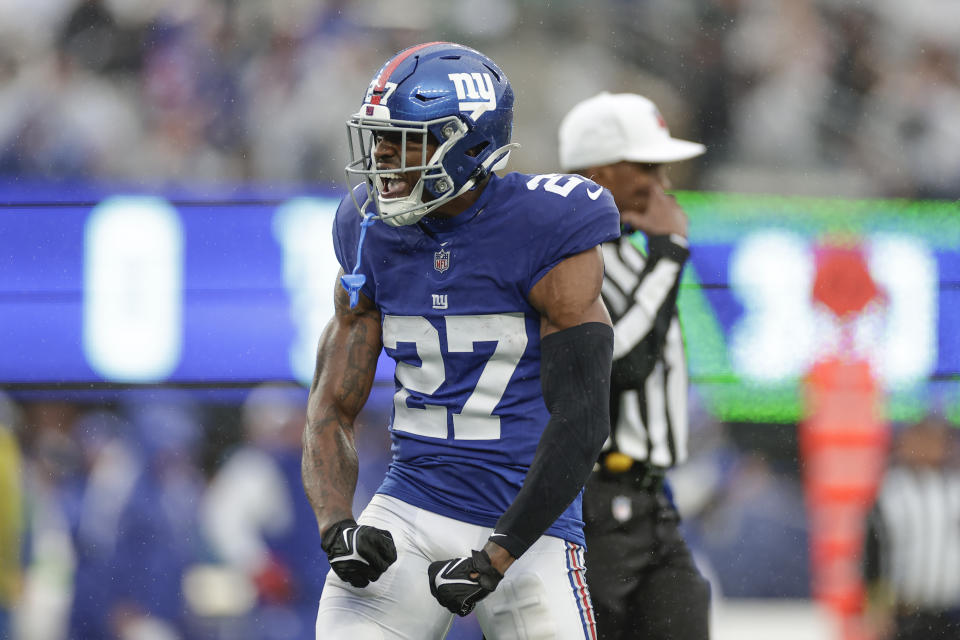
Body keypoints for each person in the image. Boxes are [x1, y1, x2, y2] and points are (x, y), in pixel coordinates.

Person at [302, 42, 621, 639]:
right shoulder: (367, 228)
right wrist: (337, 526)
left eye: (407, 140)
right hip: (412, 507)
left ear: (470, 143)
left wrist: (499, 554)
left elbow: (583, 420)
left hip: (532, 526)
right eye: (380, 138)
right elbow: (331, 409)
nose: (384, 158)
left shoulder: (548, 227)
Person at [557, 91, 712, 639]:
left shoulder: (628, 255)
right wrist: (670, 254)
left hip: (649, 499)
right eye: (646, 166)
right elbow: (618, 367)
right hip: (598, 501)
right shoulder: (569, 256)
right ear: (600, 173)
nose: (661, 182)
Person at [862, 414, 960, 640]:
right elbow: (873, 549)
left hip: (952, 610)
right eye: (919, 440)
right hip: (907, 611)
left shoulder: (955, 488)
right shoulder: (891, 490)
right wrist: (876, 602)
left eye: (933, 441)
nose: (926, 448)